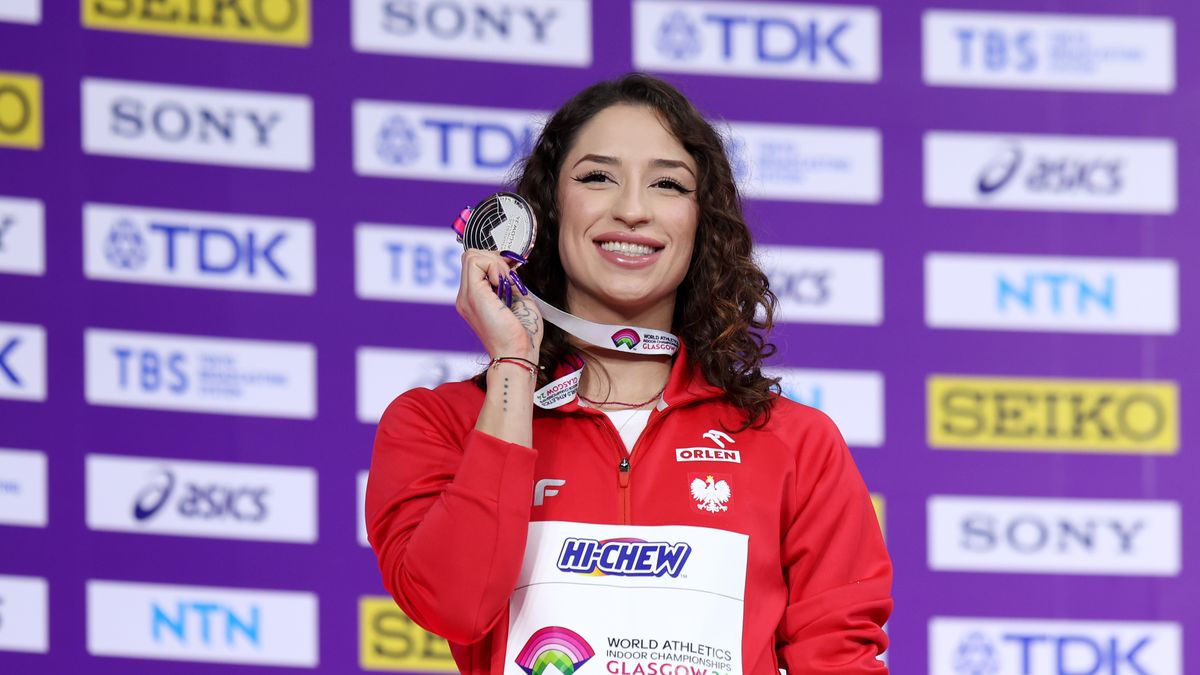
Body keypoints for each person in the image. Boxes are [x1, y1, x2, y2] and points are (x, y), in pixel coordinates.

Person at [366, 73, 891, 675]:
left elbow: (839, 659)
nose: (634, 210)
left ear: (701, 222)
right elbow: (454, 605)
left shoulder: (795, 443)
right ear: (544, 211)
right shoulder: (440, 423)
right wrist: (513, 363)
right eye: (597, 177)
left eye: (668, 184)